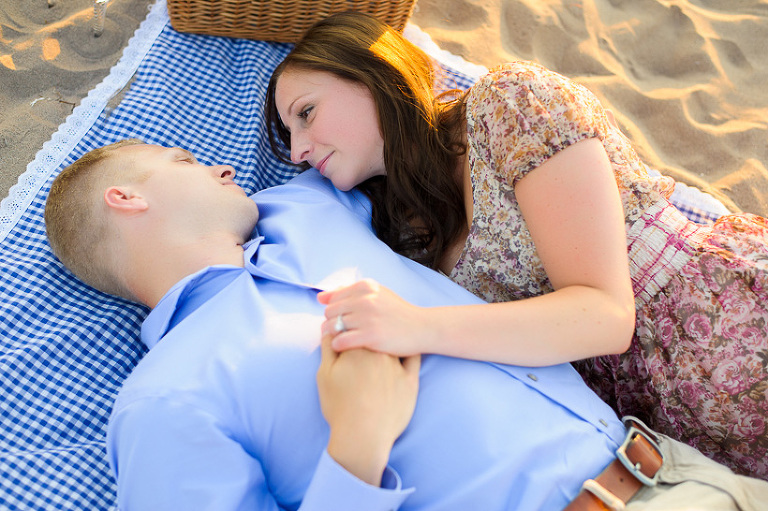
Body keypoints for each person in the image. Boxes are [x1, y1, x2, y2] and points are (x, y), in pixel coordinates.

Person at [43, 140, 768, 510]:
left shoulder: (302, 206)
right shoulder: (165, 399)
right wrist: (356, 447)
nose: (226, 168)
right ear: (124, 197)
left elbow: (354, 92)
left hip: (679, 470)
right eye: (187, 160)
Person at [264, 11, 768, 479]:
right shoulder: (404, 232)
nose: (298, 150)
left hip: (727, 326)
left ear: (372, 73)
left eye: (306, 113)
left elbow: (606, 314)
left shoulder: (509, 105)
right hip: (655, 425)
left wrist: (415, 325)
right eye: (289, 135)